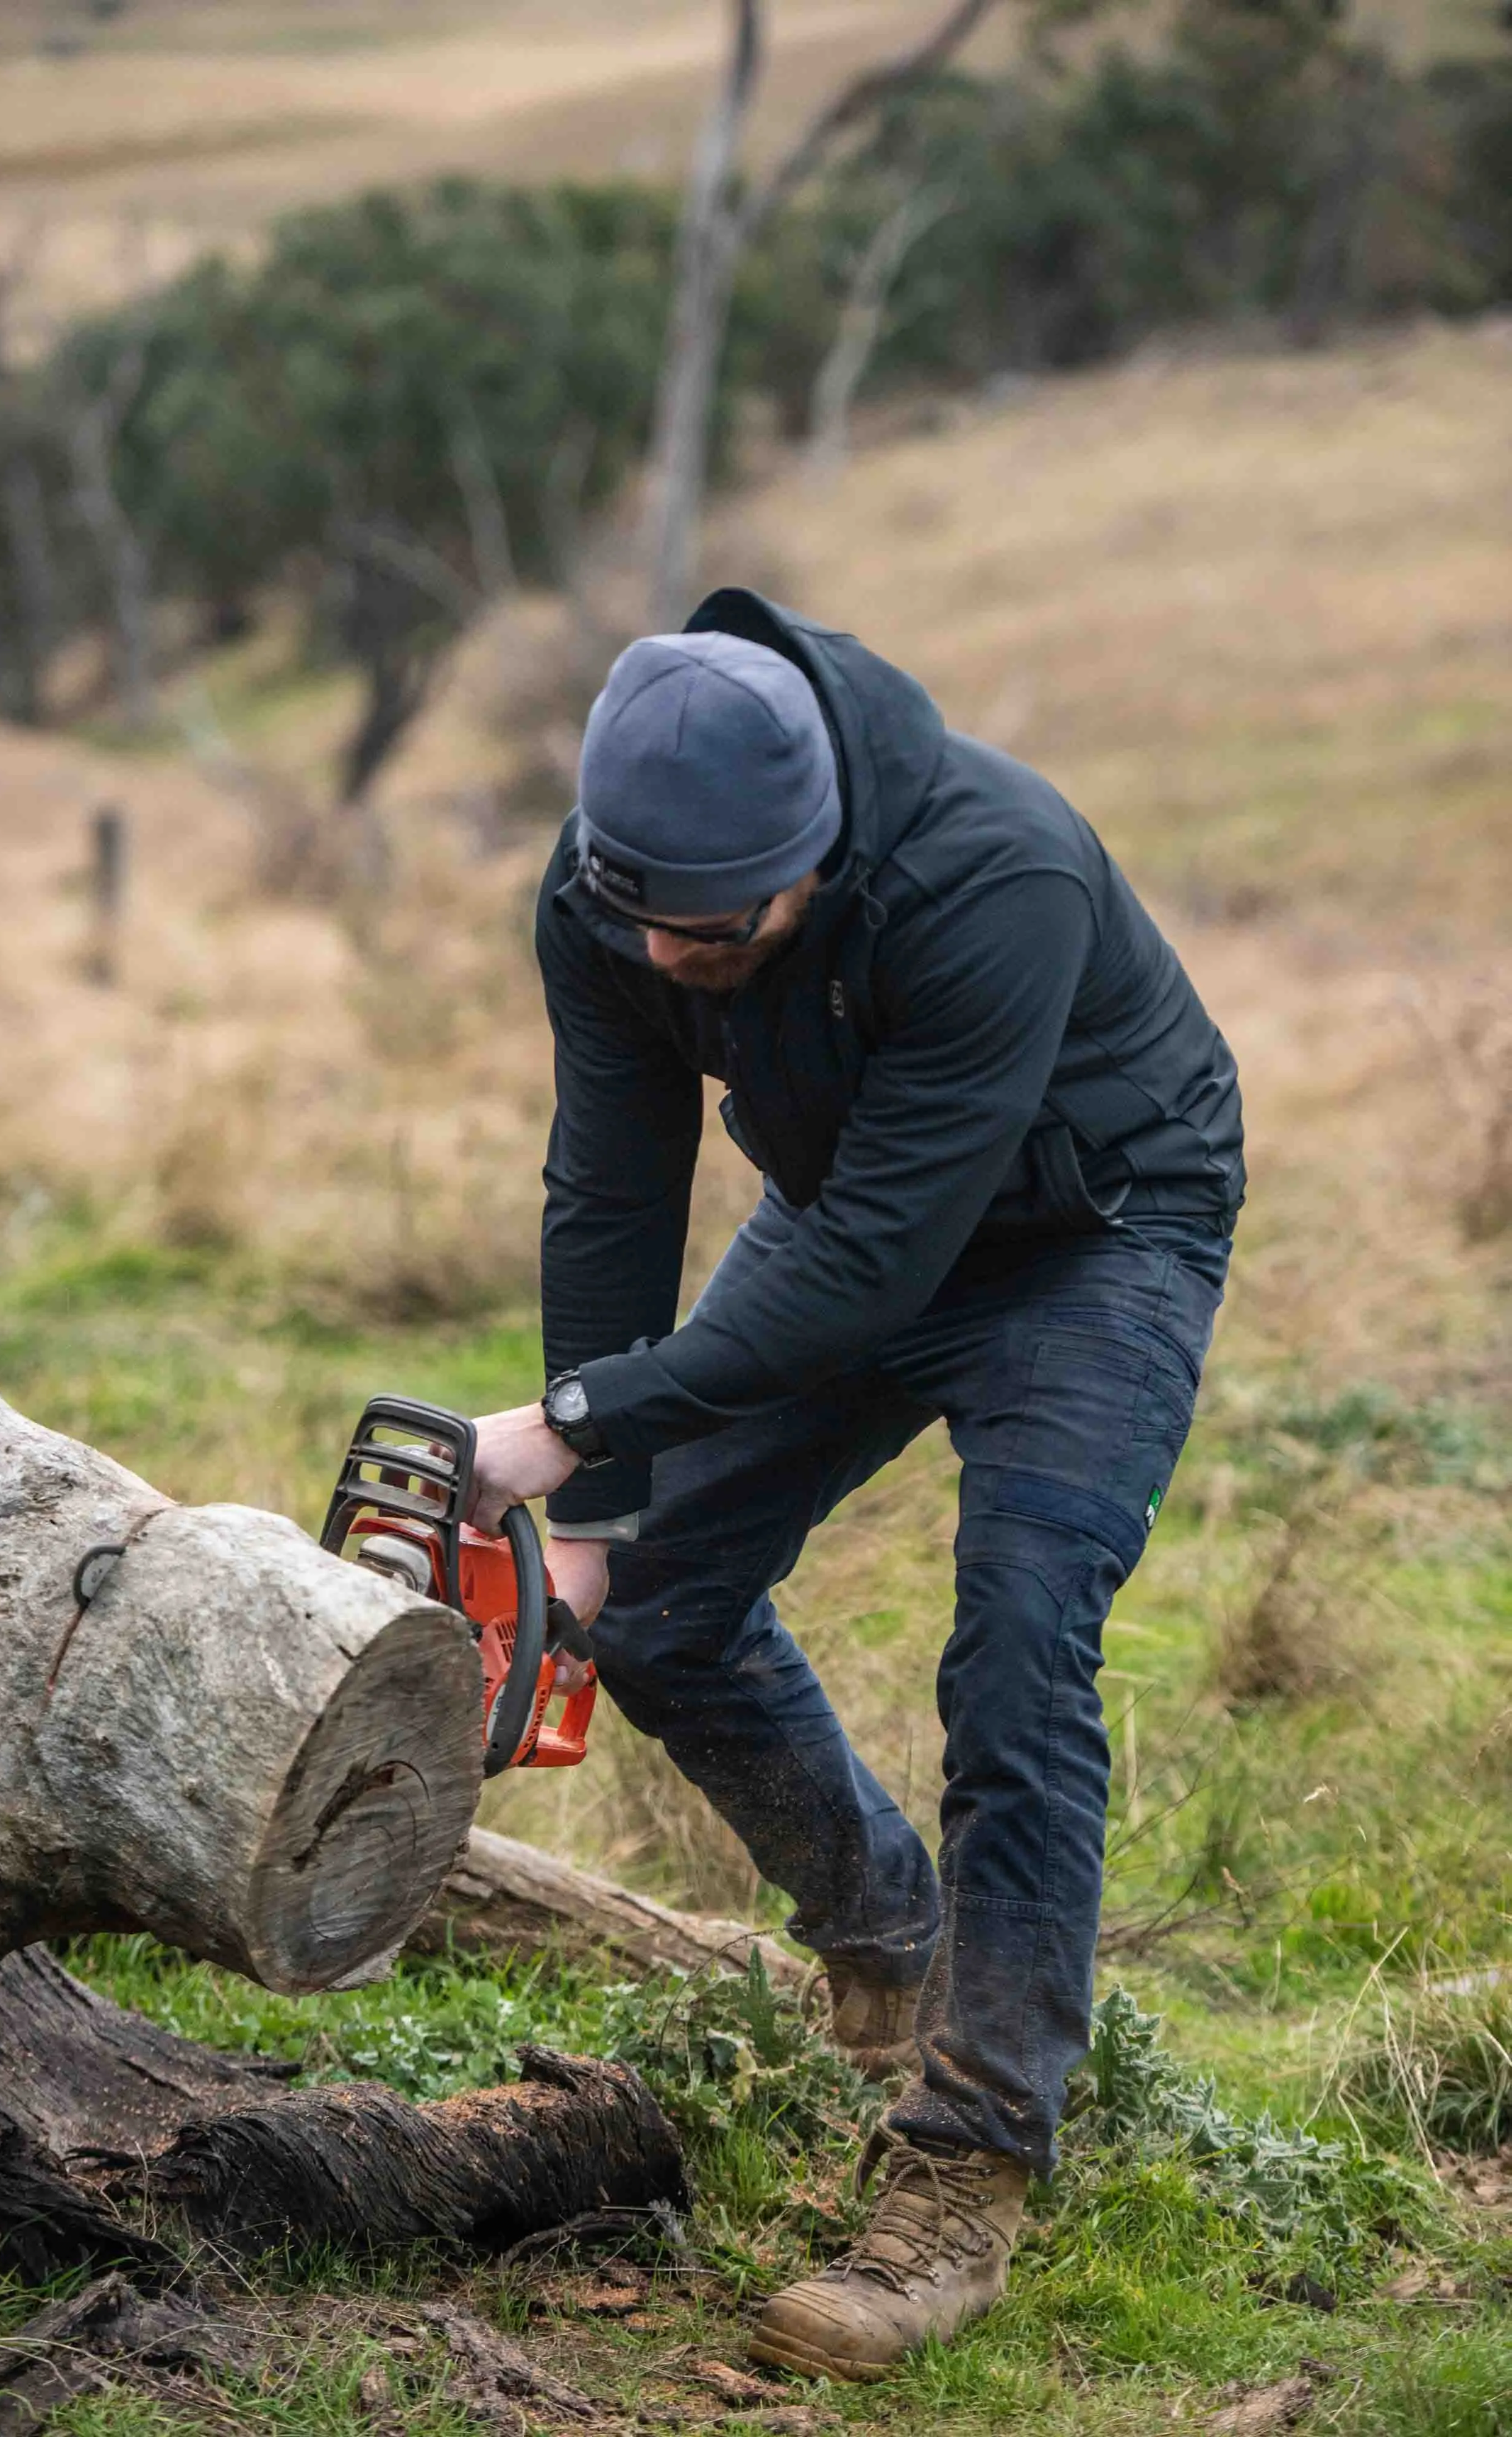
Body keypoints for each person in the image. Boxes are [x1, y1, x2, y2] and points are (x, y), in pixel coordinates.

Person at [468, 589, 1243, 2382]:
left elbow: (892, 1257)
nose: (671, 962)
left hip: (1088, 1232)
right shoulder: (620, 902)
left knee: (1021, 1641)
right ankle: (889, 1930)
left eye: (717, 936)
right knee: (654, 1607)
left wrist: (572, 1422)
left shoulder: (998, 874)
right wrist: (592, 1522)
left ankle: (963, 2180)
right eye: (637, 920)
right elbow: (611, 1179)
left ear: (812, 858)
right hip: (854, 1215)